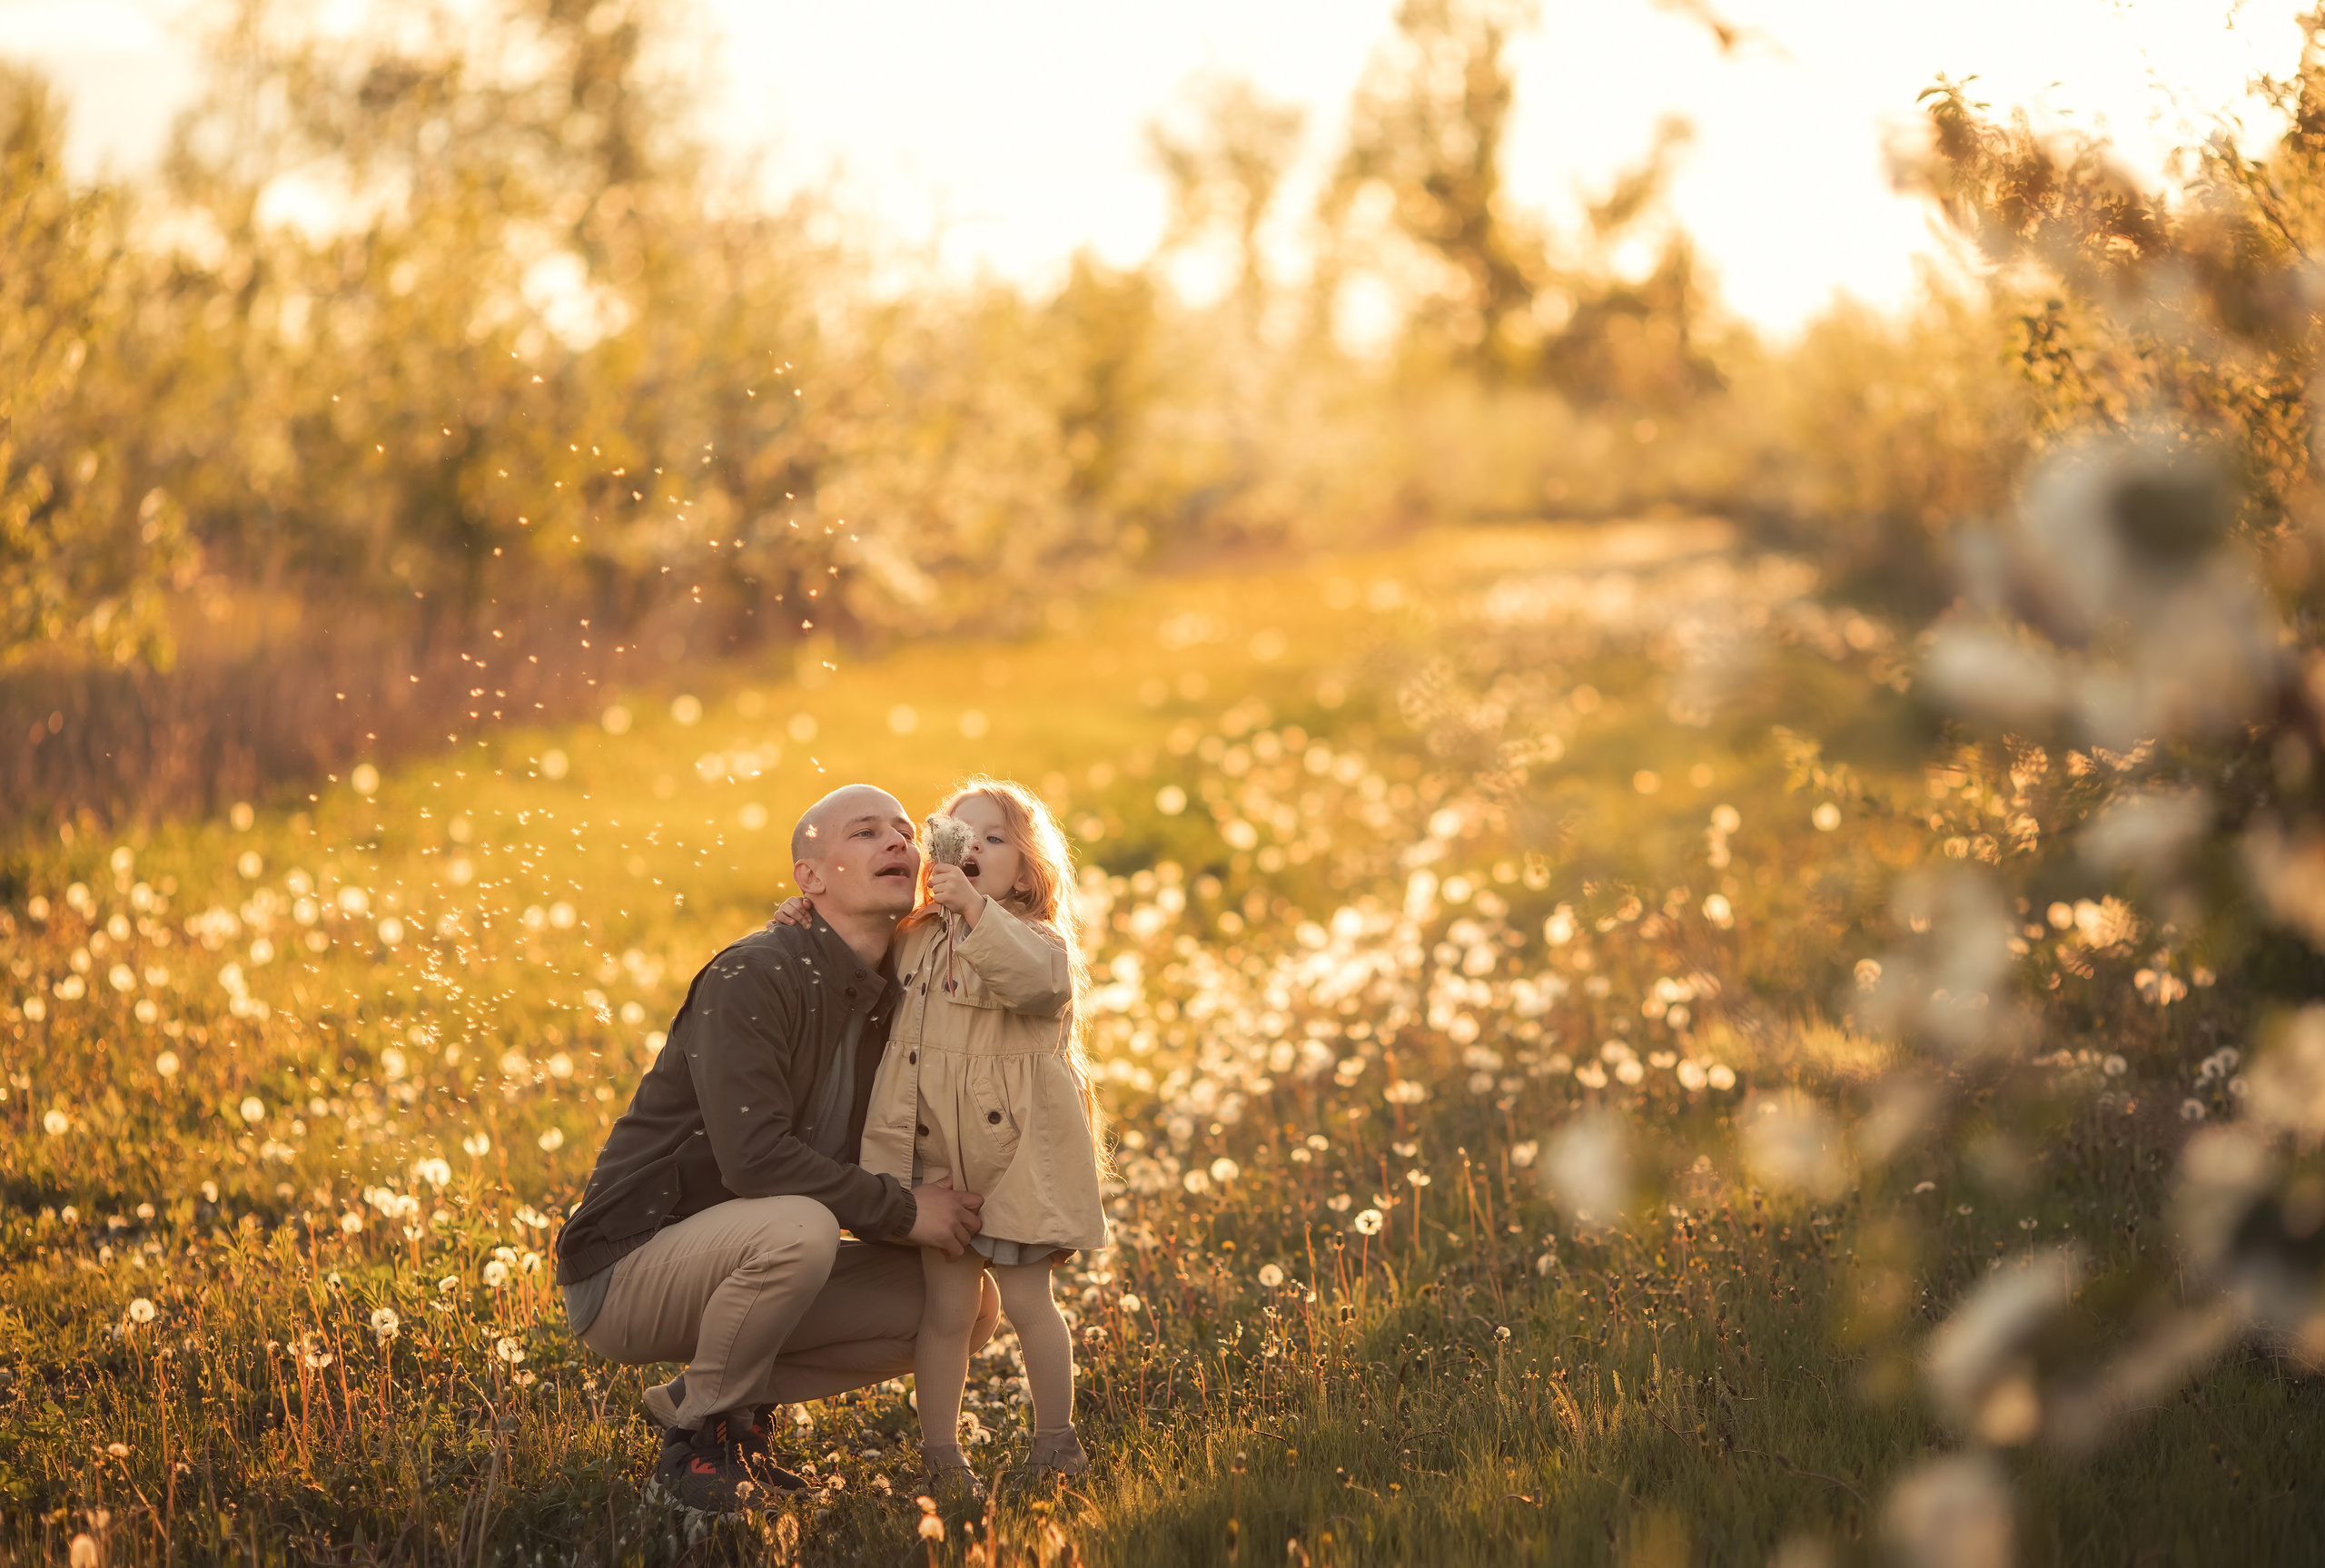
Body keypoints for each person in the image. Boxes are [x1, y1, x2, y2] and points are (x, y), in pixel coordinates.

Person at [554, 783, 1001, 1515]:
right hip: (629, 1266)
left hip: (754, 1248)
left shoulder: (899, 991)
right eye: (864, 832)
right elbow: (754, 1160)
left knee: (961, 1303)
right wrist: (899, 1210)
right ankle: (699, 1442)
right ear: (810, 878)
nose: (896, 841)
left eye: (902, 831)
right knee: (800, 1225)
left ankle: (723, 1405)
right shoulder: (753, 972)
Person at [774, 776, 1108, 1492]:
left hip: (1012, 1158)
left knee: (1026, 1304)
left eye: (993, 838)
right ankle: (941, 1453)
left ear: (1028, 865)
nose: (974, 848)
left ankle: (1057, 1444)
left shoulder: (1038, 940)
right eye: (960, 836)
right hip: (935, 1163)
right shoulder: (918, 935)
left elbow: (1039, 987)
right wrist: (810, 916)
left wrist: (976, 910)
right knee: (947, 1311)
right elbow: (854, 963)